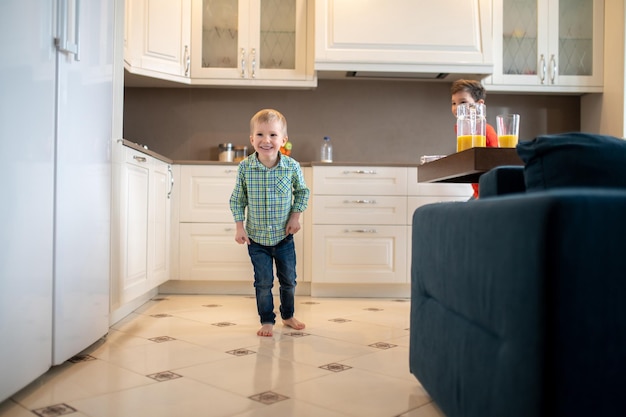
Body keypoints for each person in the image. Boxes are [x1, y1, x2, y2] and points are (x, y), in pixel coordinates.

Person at [229, 108, 310, 337]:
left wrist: (295, 216)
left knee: (289, 281)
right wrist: (239, 227)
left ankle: (287, 315)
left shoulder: (291, 167)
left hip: (284, 238)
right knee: (263, 282)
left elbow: (302, 193)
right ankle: (267, 320)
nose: (266, 140)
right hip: (256, 239)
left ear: (283, 140)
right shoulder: (245, 168)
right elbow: (237, 199)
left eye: (273, 135)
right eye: (260, 135)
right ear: (252, 139)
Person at [450, 79, 498, 199]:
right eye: (453, 103)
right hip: (478, 191)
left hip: (489, 191)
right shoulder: (462, 128)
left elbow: (497, 161)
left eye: (462, 102)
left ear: (479, 104)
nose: (456, 108)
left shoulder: (485, 130)